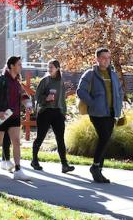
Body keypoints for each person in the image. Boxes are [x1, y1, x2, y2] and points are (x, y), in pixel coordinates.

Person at [76, 48, 123, 183]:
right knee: (104, 137)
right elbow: (81, 91)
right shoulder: (90, 74)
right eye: (103, 57)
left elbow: (119, 91)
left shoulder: (113, 75)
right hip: (97, 113)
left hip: (111, 112)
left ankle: (98, 170)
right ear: (97, 59)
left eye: (108, 58)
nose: (106, 60)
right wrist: (93, 103)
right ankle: (95, 167)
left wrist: (119, 103)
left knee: (106, 139)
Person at [0, 56, 30, 180]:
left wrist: (28, 104)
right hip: (2, 117)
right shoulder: (0, 80)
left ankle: (18, 170)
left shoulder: (17, 81)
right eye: (19, 64)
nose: (21, 66)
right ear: (11, 66)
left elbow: (23, 95)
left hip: (14, 116)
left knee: (16, 141)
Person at [32, 59, 75, 173]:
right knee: (40, 137)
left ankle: (64, 165)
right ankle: (34, 160)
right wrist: (46, 98)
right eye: (48, 67)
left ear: (57, 68)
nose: (49, 69)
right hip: (45, 112)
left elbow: (62, 99)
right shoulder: (45, 81)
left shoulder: (61, 81)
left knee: (60, 139)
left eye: (51, 67)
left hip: (58, 113)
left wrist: (63, 112)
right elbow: (36, 97)